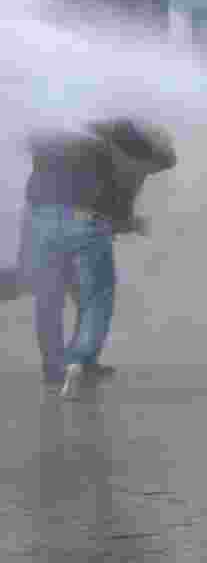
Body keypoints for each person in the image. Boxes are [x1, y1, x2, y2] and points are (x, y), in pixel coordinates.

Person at [23, 118, 176, 399]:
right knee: (96, 297)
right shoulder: (119, 150)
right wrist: (130, 222)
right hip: (86, 221)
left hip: (38, 220)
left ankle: (54, 369)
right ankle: (79, 361)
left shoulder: (53, 133)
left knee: (49, 297)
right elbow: (123, 199)